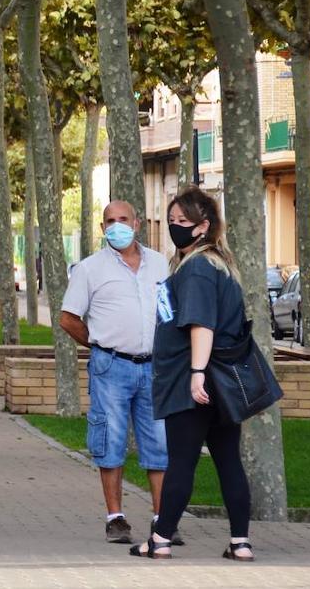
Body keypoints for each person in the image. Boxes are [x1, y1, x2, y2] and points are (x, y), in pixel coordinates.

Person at [133, 186, 253, 561]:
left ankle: (161, 539)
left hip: (195, 381)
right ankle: (240, 543)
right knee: (228, 459)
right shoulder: (218, 264)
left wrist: (196, 373)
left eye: (183, 222)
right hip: (220, 382)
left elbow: (202, 325)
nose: (175, 228)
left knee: (182, 461)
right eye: (171, 221)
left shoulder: (199, 268)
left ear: (203, 226)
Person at [61, 201, 173, 545]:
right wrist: (97, 345)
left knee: (159, 441)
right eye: (110, 221)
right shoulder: (89, 269)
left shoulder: (159, 263)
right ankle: (116, 518)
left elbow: (170, 311)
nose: (116, 226)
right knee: (110, 440)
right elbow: (68, 318)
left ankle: (162, 520)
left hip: (154, 366)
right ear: (102, 227)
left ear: (136, 223)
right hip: (110, 366)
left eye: (123, 219)